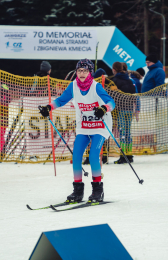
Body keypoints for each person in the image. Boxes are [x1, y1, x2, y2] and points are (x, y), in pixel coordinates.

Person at [39, 59, 115, 203]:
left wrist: (103, 108)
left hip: (100, 126)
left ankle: (97, 190)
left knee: (93, 156)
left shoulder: (96, 86)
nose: (81, 73)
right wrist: (49, 107)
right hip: (84, 126)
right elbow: (61, 100)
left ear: (90, 72)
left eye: (85, 71)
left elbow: (111, 102)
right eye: (79, 70)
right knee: (76, 157)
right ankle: (78, 191)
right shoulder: (73, 86)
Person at [110, 62, 137, 164]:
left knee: (122, 133)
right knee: (128, 133)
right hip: (130, 109)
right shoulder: (130, 80)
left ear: (114, 69)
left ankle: (123, 156)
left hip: (120, 109)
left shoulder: (115, 81)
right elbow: (134, 94)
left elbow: (112, 95)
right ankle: (129, 154)